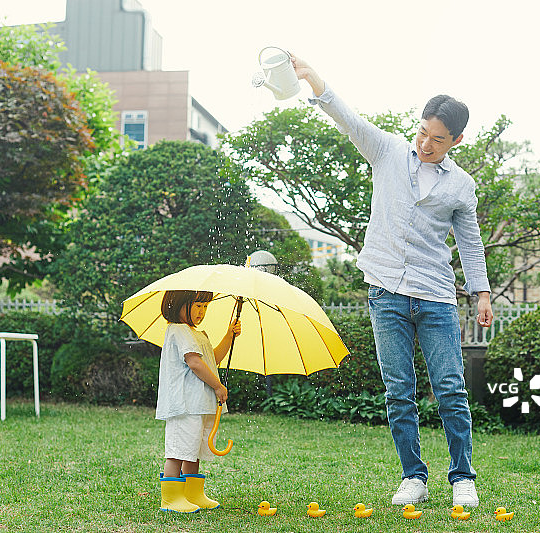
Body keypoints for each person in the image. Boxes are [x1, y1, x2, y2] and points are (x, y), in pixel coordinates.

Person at [291, 54, 494, 508]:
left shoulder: (461, 186)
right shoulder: (387, 151)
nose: (426, 143)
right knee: (398, 390)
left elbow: (471, 243)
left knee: (450, 389)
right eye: (423, 131)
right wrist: (314, 80)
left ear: (456, 140)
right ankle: (413, 477)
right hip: (386, 293)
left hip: (437, 297)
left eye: (438, 139)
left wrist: (481, 292)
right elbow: (349, 120)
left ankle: (462, 477)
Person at [156, 289, 241, 513]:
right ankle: (171, 498)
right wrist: (218, 386)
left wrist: (229, 336)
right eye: (197, 306)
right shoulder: (179, 330)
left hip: (199, 404)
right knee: (178, 450)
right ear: (178, 304)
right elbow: (194, 363)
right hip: (184, 404)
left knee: (193, 450)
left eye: (205, 307)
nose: (201, 312)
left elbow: (212, 360)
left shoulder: (197, 334)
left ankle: (192, 493)